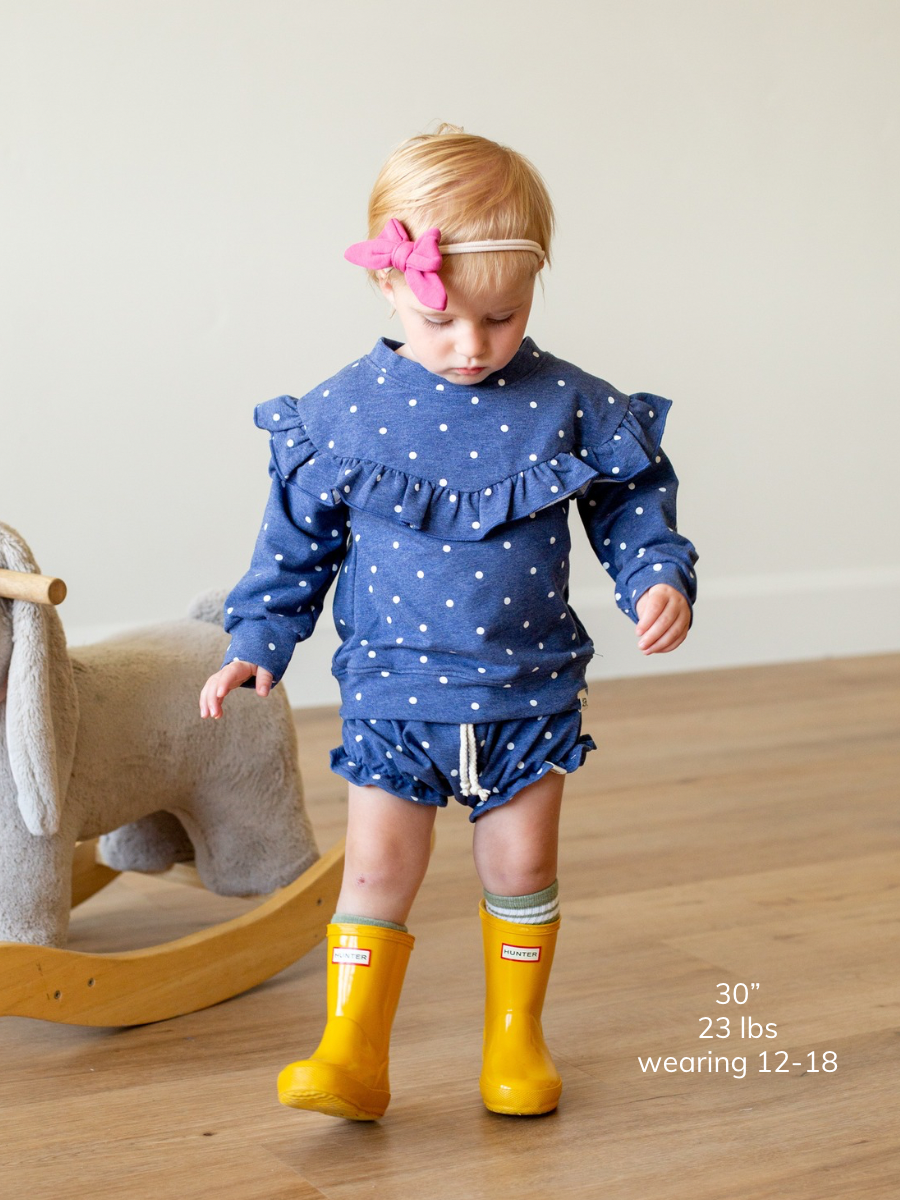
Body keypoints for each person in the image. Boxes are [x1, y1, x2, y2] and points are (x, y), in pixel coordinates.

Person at [200, 125, 697, 1121]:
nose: (473, 346)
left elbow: (631, 499)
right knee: (378, 868)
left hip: (528, 693)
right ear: (387, 284)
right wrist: (258, 640)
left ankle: (516, 1042)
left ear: (534, 285)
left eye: (503, 317)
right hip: (394, 692)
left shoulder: (568, 401)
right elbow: (295, 544)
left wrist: (657, 576)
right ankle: (351, 1052)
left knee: (523, 866)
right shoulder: (342, 413)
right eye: (443, 320)